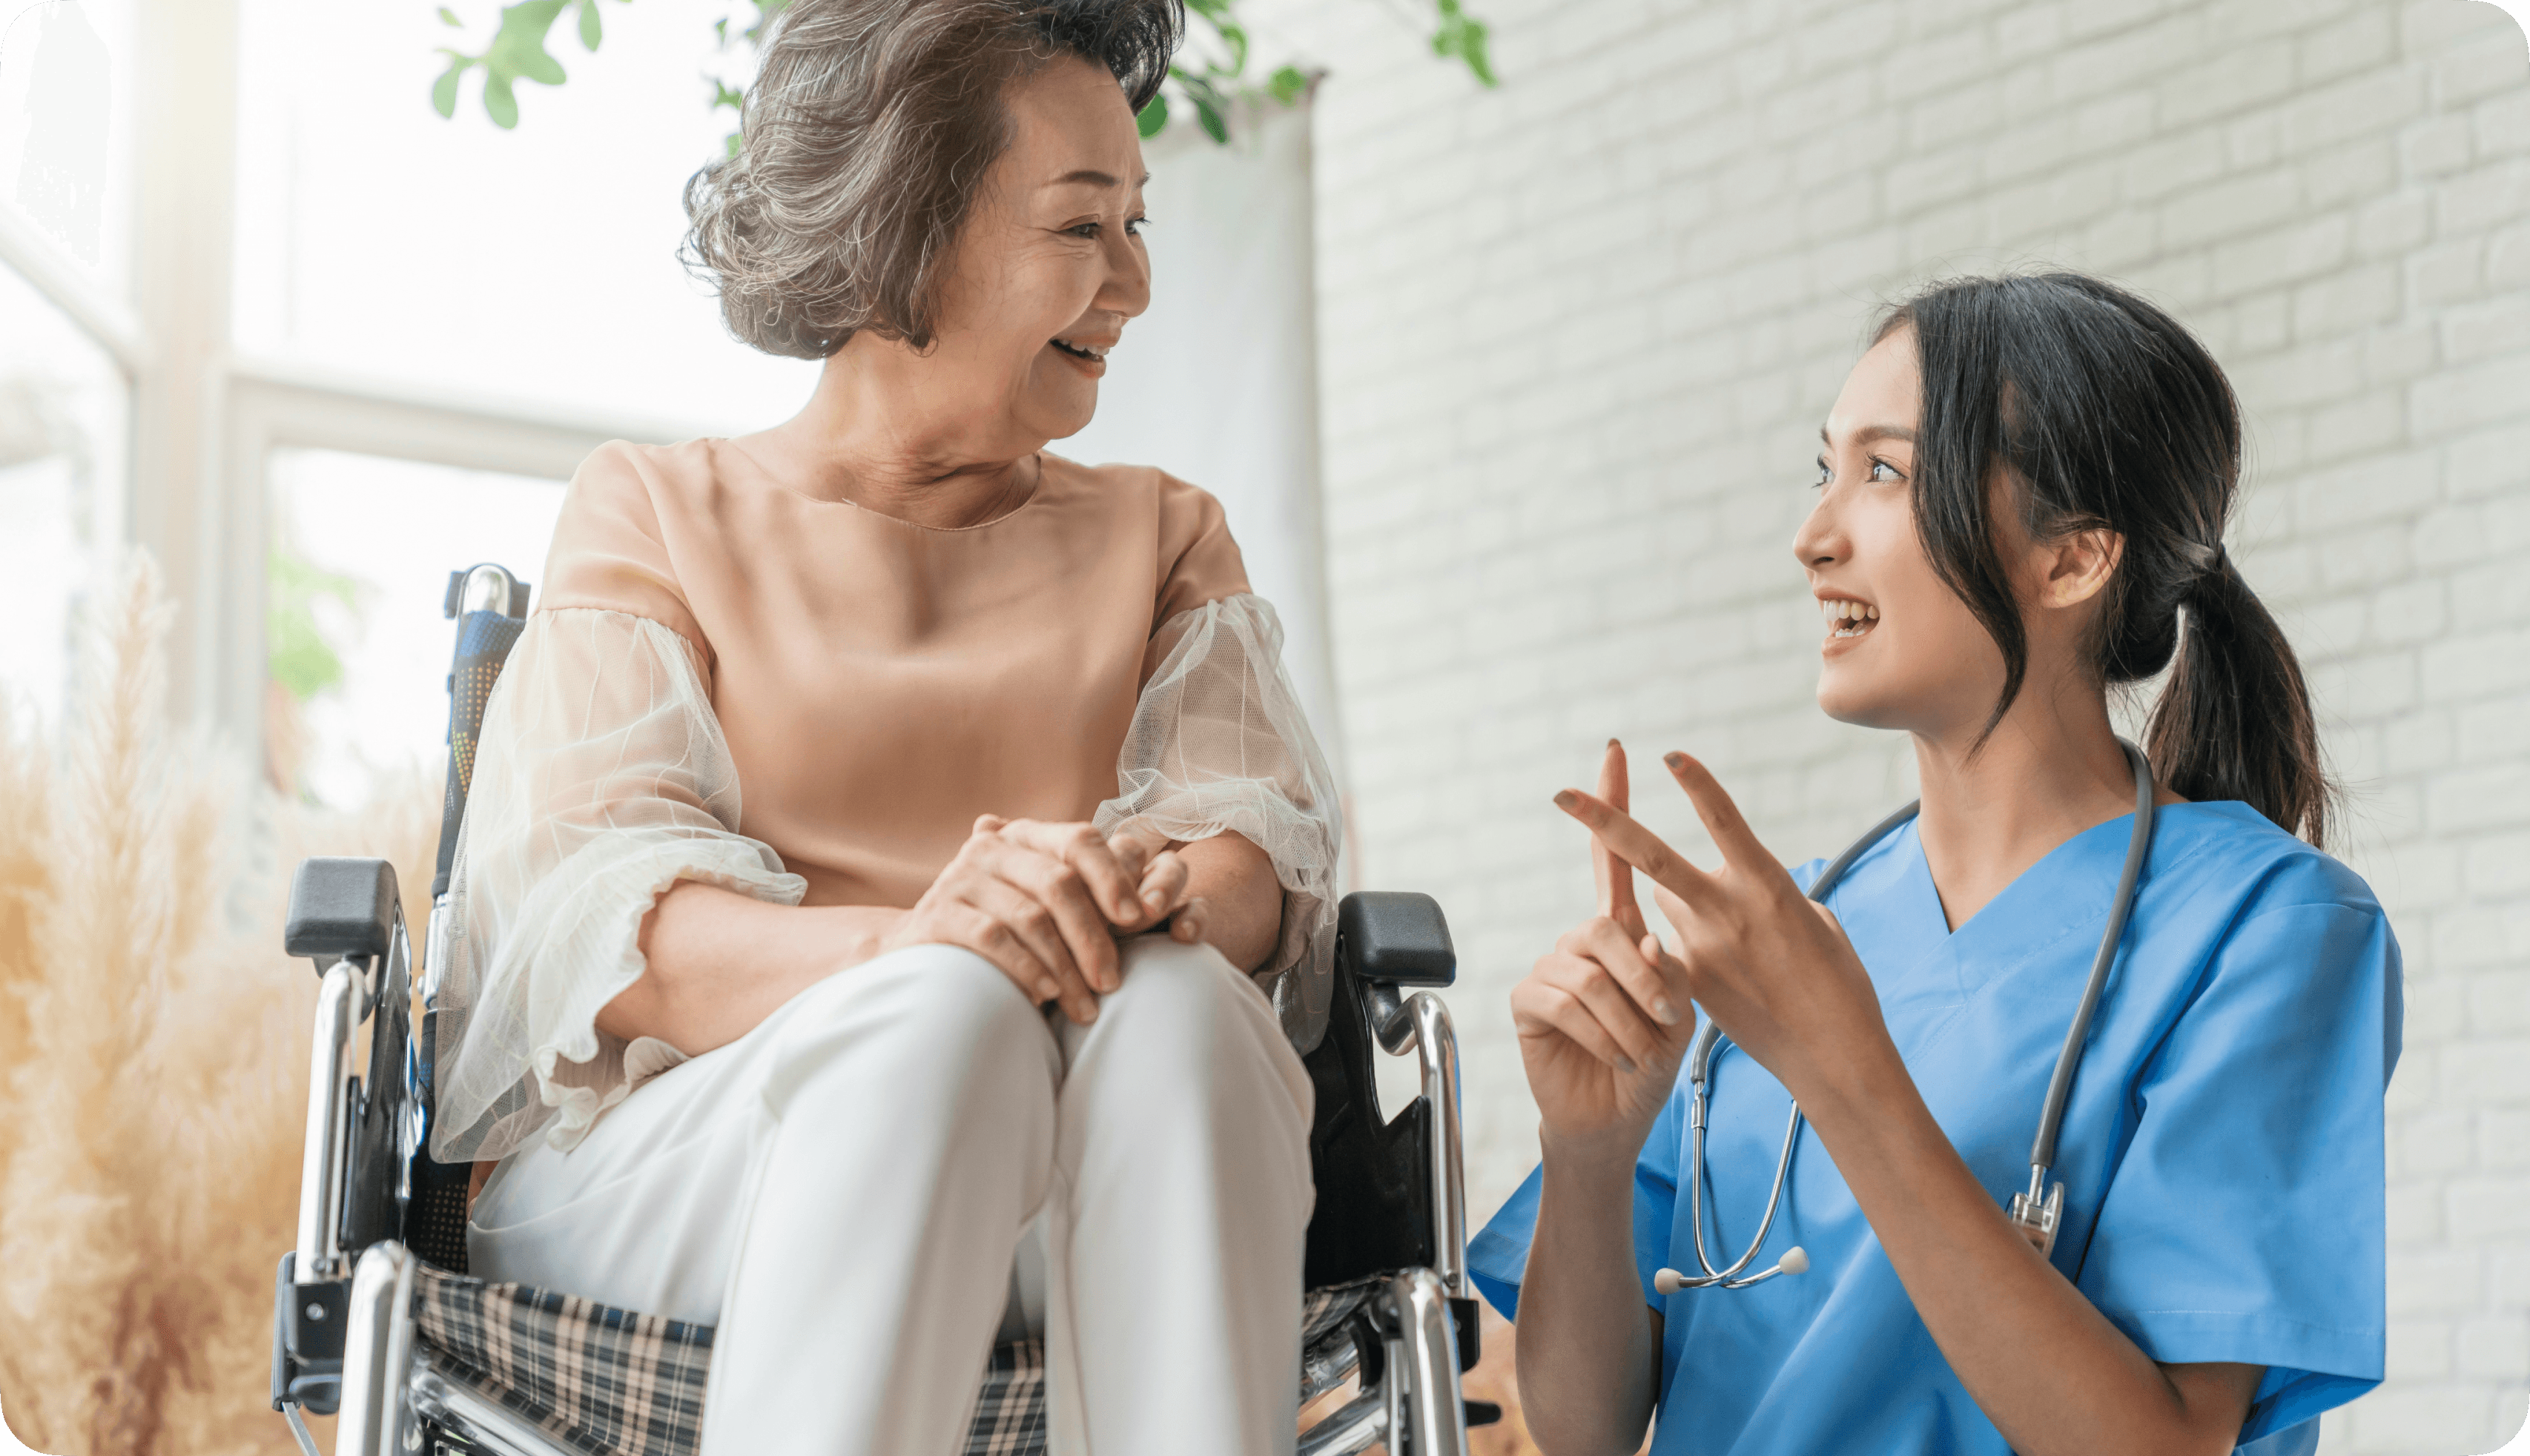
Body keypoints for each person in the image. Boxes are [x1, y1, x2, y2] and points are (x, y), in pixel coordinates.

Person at [429, 2, 1341, 1453]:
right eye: (1081, 228)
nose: (1135, 284)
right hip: (698, 1160)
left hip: (1085, 1159)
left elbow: (1254, 863)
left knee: (1177, 1007)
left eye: (1138, 224)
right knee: (940, 1014)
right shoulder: (656, 510)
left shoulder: (1164, 536)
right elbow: (617, 935)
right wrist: (928, 940)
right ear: (907, 229)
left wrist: (1142, 892)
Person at [1470, 272, 2401, 1456]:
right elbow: (1586, 1426)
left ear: (2071, 560)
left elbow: (2165, 1444)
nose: (1812, 537)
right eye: (1825, 470)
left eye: (1885, 473)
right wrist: (1590, 1156)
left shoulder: (2269, 930)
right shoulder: (1793, 934)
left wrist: (1838, 1063)